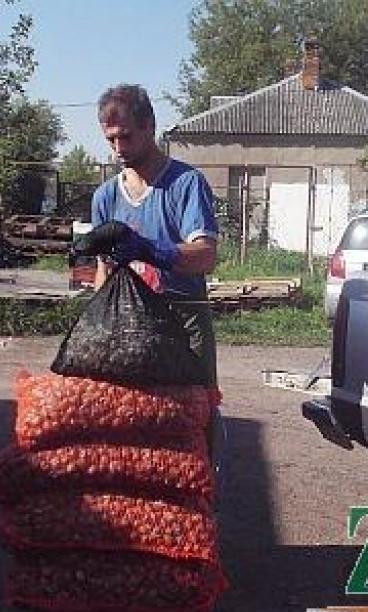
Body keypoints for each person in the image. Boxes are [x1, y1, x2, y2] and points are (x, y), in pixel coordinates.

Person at [74, 84, 220, 386]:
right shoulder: (106, 197)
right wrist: (99, 321)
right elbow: (104, 271)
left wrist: (148, 250)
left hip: (183, 327)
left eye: (125, 136)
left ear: (149, 126)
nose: (118, 148)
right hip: (131, 328)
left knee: (193, 422)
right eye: (110, 139)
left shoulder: (185, 184)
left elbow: (205, 256)